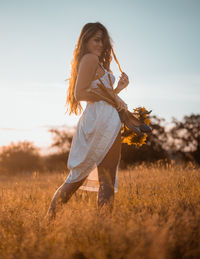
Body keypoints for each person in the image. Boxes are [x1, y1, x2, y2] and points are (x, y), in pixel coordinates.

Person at [46, 22, 129, 219]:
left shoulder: (98, 63)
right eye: (96, 40)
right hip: (98, 123)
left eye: (103, 41)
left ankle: (103, 226)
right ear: (86, 40)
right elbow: (80, 93)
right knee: (78, 177)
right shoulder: (90, 59)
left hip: (109, 122)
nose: (101, 44)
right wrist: (111, 95)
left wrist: (118, 90)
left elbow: (103, 96)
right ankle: (49, 219)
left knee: (107, 179)